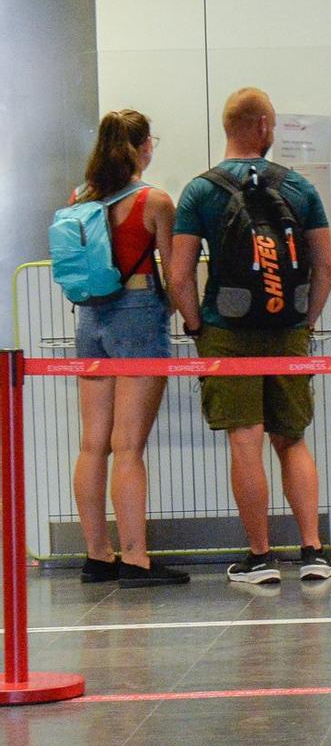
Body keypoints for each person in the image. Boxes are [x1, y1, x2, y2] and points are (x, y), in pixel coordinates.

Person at [167, 88, 331, 585]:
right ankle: (313, 552)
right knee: (292, 440)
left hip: (226, 330)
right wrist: (304, 324)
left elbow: (179, 276)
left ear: (228, 127)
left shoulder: (200, 191)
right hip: (286, 330)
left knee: (246, 442)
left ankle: (261, 559)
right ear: (264, 125)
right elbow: (325, 265)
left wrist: (198, 327)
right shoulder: (299, 187)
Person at [68, 110, 188, 588]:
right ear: (142, 147)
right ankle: (136, 558)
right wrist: (191, 319)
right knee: (129, 446)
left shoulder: (79, 197)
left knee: (92, 444)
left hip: (89, 318)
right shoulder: (154, 201)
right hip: (137, 314)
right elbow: (175, 274)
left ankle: (98, 555)